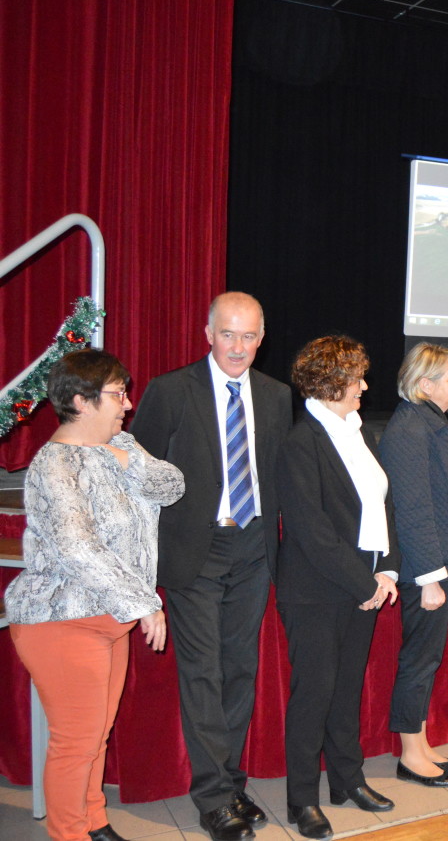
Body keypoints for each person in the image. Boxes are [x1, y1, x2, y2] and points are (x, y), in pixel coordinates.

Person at [128, 292, 292, 841]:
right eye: (228, 334)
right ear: (207, 334)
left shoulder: (276, 395)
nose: (237, 347)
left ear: (261, 338)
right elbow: (138, 477)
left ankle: (231, 782)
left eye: (248, 336)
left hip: (254, 549)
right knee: (203, 673)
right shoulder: (171, 390)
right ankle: (214, 798)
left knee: (240, 669)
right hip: (194, 552)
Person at [5, 350, 184, 841]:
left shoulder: (120, 444)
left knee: (95, 736)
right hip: (62, 620)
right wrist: (144, 603)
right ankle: (69, 832)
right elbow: (77, 547)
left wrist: (128, 460)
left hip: (110, 621)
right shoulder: (53, 466)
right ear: (81, 402)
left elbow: (172, 485)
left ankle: (94, 822)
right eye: (117, 394)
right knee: (75, 744)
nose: (128, 404)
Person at [276, 336, 401, 839]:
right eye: (356, 379)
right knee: (314, 695)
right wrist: (363, 582)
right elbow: (312, 530)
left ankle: (347, 780)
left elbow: (383, 505)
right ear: (330, 383)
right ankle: (302, 798)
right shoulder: (300, 442)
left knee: (347, 690)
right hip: (315, 591)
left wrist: (387, 570)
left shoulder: (358, 432)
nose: (364, 387)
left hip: (363, 585)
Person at [378, 343, 448, 786]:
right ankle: (410, 754)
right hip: (427, 568)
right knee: (419, 659)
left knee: (428, 657)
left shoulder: (436, 420)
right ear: (425, 385)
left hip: (441, 562)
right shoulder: (409, 429)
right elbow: (413, 510)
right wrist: (429, 578)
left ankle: (420, 744)